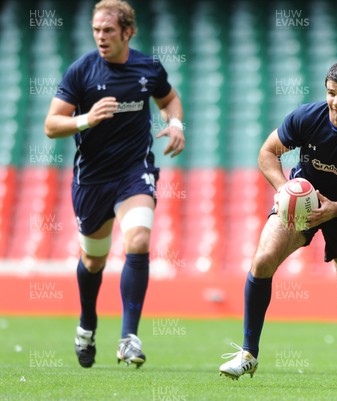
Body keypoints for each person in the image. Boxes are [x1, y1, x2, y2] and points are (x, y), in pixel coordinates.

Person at [219, 60, 337, 387]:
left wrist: (336, 209)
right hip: (302, 202)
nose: (336, 102)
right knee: (262, 261)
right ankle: (248, 354)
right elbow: (267, 153)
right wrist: (282, 189)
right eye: (331, 93)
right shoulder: (307, 117)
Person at [44, 0, 184, 368]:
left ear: (128, 32)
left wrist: (176, 124)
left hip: (134, 171)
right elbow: (51, 124)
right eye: (96, 30)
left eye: (108, 30)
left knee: (138, 239)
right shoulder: (81, 71)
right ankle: (87, 323)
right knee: (93, 261)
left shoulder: (148, 67)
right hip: (92, 180)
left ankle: (128, 338)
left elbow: (168, 98)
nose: (101, 37)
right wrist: (85, 119)